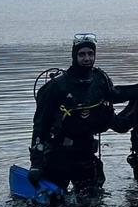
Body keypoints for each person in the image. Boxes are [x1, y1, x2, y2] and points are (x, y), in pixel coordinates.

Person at [29, 33, 116, 190]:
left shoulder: (99, 81)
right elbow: (40, 125)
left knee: (90, 204)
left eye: (90, 54)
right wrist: (36, 163)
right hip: (58, 154)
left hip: (85, 153)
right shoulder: (56, 87)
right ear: (74, 55)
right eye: (82, 54)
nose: (87, 58)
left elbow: (116, 99)